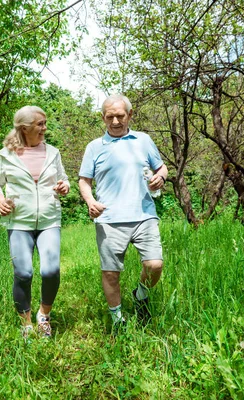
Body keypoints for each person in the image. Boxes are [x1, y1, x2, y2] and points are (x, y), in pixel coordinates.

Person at [78, 94, 168, 330]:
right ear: (103, 117)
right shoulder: (95, 147)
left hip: (144, 215)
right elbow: (84, 180)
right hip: (109, 219)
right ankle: (118, 319)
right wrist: (90, 201)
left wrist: (161, 177)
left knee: (154, 265)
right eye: (110, 117)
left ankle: (141, 295)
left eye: (120, 116)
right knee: (111, 273)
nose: (115, 121)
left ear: (130, 115)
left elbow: (161, 167)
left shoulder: (144, 140)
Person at [0, 105, 70, 339]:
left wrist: (64, 186)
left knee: (51, 270)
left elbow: (63, 179)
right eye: (40, 124)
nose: (45, 128)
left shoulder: (53, 152)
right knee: (23, 273)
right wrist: (0, 198)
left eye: (45, 123)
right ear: (24, 128)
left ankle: (44, 315)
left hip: (49, 219)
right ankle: (25, 322)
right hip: (19, 221)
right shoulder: (6, 154)